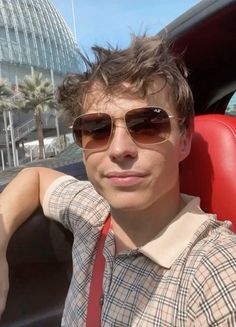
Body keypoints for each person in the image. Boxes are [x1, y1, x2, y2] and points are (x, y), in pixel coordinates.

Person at [0, 35, 236, 326]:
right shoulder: (92, 211)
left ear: (184, 139)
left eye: (147, 124)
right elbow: (34, 177)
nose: (118, 149)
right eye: (97, 128)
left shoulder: (216, 277)